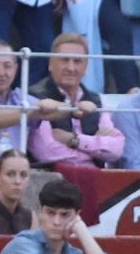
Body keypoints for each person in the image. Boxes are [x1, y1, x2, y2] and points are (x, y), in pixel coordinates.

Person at [27, 33, 124, 168]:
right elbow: (46, 152)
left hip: (92, 180)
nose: (71, 68)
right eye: (64, 60)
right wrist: (94, 150)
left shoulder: (97, 101)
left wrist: (74, 140)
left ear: (86, 67)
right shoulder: (34, 96)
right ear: (50, 64)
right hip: (50, 181)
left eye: (77, 61)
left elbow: (116, 149)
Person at [0, 178, 117, 254]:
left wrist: (82, 231)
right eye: (50, 213)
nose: (56, 222)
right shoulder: (21, 245)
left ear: (76, 215)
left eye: (65, 215)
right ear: (41, 212)